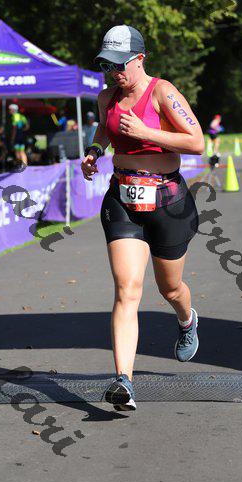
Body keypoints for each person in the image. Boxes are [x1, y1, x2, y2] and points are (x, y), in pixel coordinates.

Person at [81, 25, 204, 412]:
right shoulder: (106, 97)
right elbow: (105, 128)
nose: (114, 73)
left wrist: (148, 131)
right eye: (107, 65)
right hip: (123, 199)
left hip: (167, 201)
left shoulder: (163, 92)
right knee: (127, 290)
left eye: (120, 65)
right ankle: (124, 381)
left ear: (140, 59)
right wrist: (94, 150)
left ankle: (186, 319)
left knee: (171, 288)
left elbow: (196, 141)